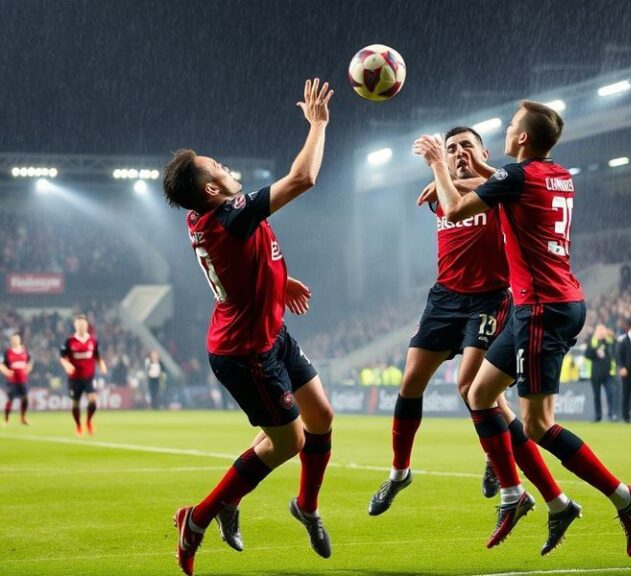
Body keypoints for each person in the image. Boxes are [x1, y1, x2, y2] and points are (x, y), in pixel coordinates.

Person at [413, 100, 631, 557]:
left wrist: (441, 166)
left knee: (539, 425)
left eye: (512, 126)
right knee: (479, 394)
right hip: (543, 304)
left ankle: (624, 496)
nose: (506, 129)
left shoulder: (516, 178)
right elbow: (498, 176)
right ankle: (520, 495)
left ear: (521, 138)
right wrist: (467, 170)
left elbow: (457, 209)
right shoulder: (557, 174)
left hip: (543, 309)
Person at [369, 126, 577, 555]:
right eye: (451, 148)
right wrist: (444, 174)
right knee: (411, 382)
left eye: (467, 145)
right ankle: (400, 472)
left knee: (471, 387)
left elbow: (490, 184)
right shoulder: (444, 189)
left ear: (484, 151)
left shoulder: (503, 185)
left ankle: (510, 477)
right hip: (444, 297)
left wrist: (443, 171)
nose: (459, 152)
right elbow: (453, 198)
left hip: (489, 298)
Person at [162, 79, 334, 576]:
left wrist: (278, 280)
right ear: (213, 190)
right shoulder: (229, 215)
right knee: (289, 442)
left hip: (269, 331)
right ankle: (198, 517)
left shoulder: (208, 218)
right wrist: (318, 123)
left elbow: (243, 259)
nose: (227, 168)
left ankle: (306, 506)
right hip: (246, 351)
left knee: (321, 416)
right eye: (218, 168)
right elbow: (303, 178)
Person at [60, 314, 108, 436]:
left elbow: (97, 356)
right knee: (75, 403)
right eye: (79, 324)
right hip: (74, 378)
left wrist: (102, 364)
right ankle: (78, 425)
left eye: (84, 324)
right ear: (75, 325)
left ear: (87, 325)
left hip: (89, 376)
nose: (81, 326)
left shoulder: (93, 340)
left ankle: (88, 421)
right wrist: (67, 365)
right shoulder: (69, 341)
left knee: (93, 400)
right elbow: (62, 358)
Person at [584, 324, 618, 421]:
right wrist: (595, 350)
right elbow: (587, 355)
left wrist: (612, 336)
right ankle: (598, 416)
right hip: (595, 373)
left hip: (608, 373)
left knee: (611, 393)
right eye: (600, 330)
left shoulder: (609, 341)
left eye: (603, 330)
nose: (602, 332)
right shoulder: (592, 341)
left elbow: (615, 348)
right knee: (597, 395)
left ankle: (612, 414)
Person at [2, 333, 33, 426]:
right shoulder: (8, 352)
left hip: (23, 380)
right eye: (13, 339)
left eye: (17, 339)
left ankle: (23, 418)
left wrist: (28, 369)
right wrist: (6, 371)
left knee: (25, 399)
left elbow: (30, 363)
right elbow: (2, 365)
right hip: (12, 381)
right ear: (11, 341)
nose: (15, 341)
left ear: (19, 340)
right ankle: (6, 419)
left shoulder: (25, 352)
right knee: (10, 400)